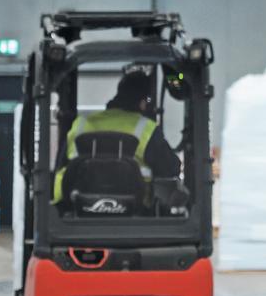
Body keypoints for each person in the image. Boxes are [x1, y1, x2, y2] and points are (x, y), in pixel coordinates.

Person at [53, 65, 182, 203]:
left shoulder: (81, 124)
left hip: (76, 208)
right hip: (137, 212)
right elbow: (171, 168)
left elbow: (61, 165)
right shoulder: (146, 129)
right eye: (148, 101)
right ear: (143, 102)